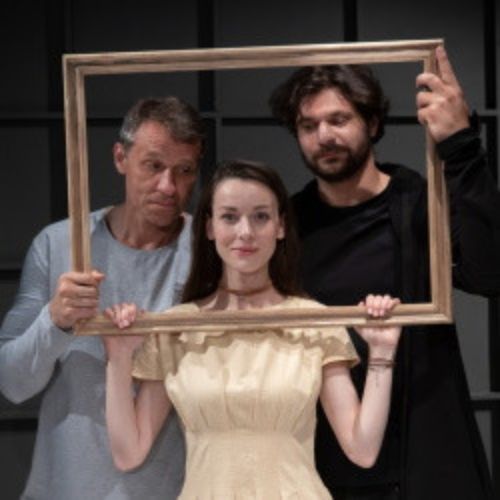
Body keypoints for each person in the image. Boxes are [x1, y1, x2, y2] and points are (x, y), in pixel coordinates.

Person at [269, 46, 500, 499]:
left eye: (338, 119)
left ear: (372, 123)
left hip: (422, 455)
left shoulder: (419, 202)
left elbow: (490, 274)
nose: (323, 136)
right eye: (308, 126)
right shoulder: (287, 226)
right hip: (323, 465)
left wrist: (460, 146)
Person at [104, 159, 402, 499]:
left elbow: (363, 450)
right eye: (230, 217)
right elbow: (128, 453)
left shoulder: (313, 321)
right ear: (210, 227)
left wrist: (382, 352)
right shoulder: (177, 327)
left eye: (260, 216)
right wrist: (119, 358)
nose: (245, 232)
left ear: (280, 226)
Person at [0, 96, 205, 499]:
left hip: (176, 489)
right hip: (68, 487)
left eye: (184, 171)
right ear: (120, 158)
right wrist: (55, 320)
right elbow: (12, 382)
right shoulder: (59, 244)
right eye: (153, 165)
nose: (169, 186)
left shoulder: (212, 251)